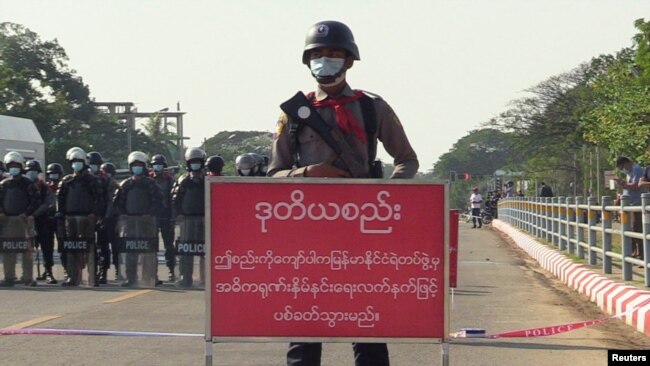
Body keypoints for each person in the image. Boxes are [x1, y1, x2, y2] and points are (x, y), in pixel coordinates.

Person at [268, 20, 418, 366]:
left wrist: (388, 199)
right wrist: (309, 173)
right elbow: (275, 174)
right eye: (318, 54)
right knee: (305, 321)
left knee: (367, 319)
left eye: (335, 54)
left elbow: (406, 160)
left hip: (362, 231)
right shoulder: (292, 113)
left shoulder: (371, 107)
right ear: (308, 61)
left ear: (349, 61)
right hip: (308, 234)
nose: (326, 60)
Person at [112, 151, 162, 287]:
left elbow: (158, 201)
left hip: (147, 223)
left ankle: (150, 277)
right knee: (130, 253)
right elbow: (118, 202)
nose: (137, 168)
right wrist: (122, 214)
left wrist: (150, 214)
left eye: (140, 165)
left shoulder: (150, 184)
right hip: (130, 223)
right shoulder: (126, 185)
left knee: (149, 251)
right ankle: (130, 278)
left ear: (144, 166)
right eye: (134, 165)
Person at [57, 147, 104, 286]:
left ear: (84, 162)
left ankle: (92, 276)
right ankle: (73, 276)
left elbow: (99, 199)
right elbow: (60, 199)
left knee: (89, 247)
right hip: (70, 219)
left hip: (87, 219)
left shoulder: (93, 180)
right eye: (73, 161)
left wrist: (94, 214)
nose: (76, 164)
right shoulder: (66, 181)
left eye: (78, 161)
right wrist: (61, 214)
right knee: (71, 248)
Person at [0, 152, 41, 287]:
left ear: (21, 166)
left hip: (24, 220)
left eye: (16, 165)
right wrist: (1, 212)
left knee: (27, 250)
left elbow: (36, 201)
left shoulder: (27, 183)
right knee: (8, 249)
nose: (13, 168)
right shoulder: (4, 184)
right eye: (11, 165)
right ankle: (9, 277)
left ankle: (27, 277)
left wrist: (27, 213)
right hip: (8, 221)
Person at [171, 147, 207, 287]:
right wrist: (178, 214)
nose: (195, 164)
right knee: (186, 250)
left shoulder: (207, 181)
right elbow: (175, 198)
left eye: (198, 162)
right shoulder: (183, 180)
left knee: (205, 251)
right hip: (187, 221)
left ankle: (206, 278)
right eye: (193, 162)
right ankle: (185, 277)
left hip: (204, 220)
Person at [25, 160, 57, 284]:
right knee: (27, 248)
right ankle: (27, 274)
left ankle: (48, 271)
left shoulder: (44, 186)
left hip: (42, 220)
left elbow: (48, 202)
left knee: (46, 246)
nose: (31, 173)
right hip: (25, 220)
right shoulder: (23, 185)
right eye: (29, 171)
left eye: (34, 171)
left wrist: (34, 214)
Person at [149, 154, 177, 281]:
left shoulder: (170, 180)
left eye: (159, 164)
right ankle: (152, 273)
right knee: (151, 246)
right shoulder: (148, 178)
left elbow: (173, 200)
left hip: (166, 216)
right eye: (155, 164)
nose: (157, 167)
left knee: (169, 245)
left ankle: (171, 270)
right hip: (152, 216)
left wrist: (173, 218)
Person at [87, 151, 112, 284]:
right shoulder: (85, 179)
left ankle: (103, 272)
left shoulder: (106, 179)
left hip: (102, 216)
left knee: (103, 246)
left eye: (95, 164)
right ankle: (93, 272)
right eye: (91, 164)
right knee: (90, 246)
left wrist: (106, 217)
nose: (93, 166)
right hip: (88, 218)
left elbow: (109, 200)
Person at [616, 156, 647, 258]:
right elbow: (629, 186)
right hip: (629, 203)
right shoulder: (629, 172)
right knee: (629, 229)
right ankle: (634, 252)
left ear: (626, 162)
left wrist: (623, 183)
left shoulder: (637, 169)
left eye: (622, 167)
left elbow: (635, 185)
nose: (623, 170)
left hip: (636, 203)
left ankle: (642, 254)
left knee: (636, 228)